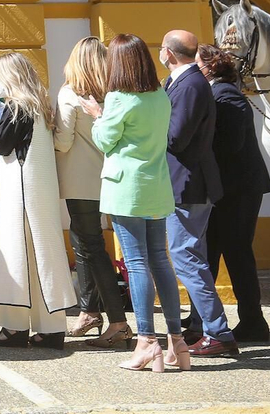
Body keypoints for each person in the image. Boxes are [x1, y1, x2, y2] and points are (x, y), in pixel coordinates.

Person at [88, 33, 189, 373]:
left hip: (126, 188)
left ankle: (147, 341)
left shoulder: (119, 97)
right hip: (156, 186)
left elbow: (105, 140)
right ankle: (177, 343)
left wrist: (97, 114)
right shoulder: (160, 94)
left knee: (136, 263)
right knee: (160, 261)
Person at [0, 52, 78, 349]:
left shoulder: (18, 106)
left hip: (22, 189)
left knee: (18, 252)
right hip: (38, 189)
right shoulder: (38, 105)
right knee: (42, 255)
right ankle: (50, 327)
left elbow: (2, 144)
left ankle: (15, 326)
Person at [181, 43, 270, 344]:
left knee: (237, 254)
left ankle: (253, 322)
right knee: (209, 253)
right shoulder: (216, 92)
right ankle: (201, 318)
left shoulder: (225, 94)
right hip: (226, 189)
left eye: (197, 63)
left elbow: (230, 145)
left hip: (238, 190)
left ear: (210, 66)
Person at [161, 30, 236, 359]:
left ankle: (217, 332)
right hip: (185, 183)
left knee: (187, 259)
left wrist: (148, 124)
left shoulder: (190, 84)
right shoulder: (183, 81)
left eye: (163, 49)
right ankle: (206, 328)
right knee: (191, 258)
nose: (161, 53)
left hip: (189, 185)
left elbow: (176, 138)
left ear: (170, 53)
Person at [53, 37, 132, 349]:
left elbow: (62, 141)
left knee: (92, 246)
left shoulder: (70, 92)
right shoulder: (115, 93)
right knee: (84, 242)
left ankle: (117, 320)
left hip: (80, 181)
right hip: (110, 178)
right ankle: (89, 311)